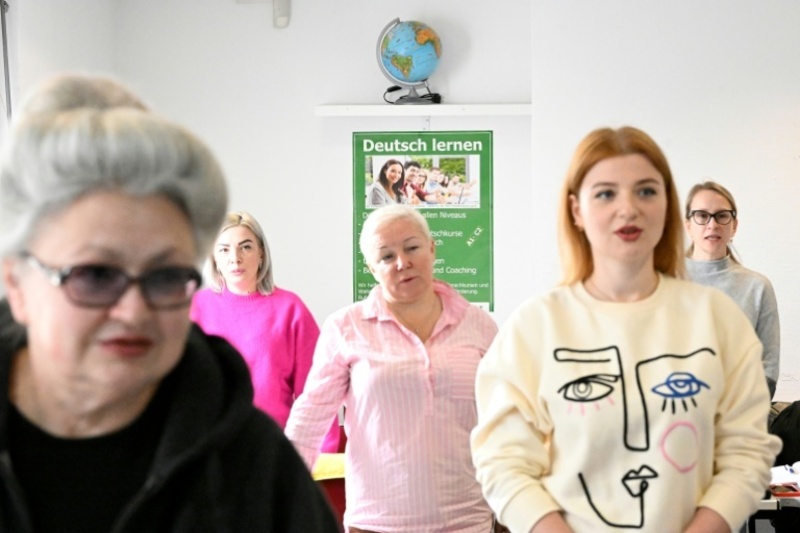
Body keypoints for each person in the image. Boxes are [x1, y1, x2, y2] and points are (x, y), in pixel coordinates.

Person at [0, 73, 339, 532]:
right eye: (95, 276)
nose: (134, 311)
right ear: (16, 285)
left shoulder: (251, 464)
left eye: (166, 277)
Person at [470, 126, 781, 533]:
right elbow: (503, 461)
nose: (628, 208)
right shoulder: (534, 327)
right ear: (576, 210)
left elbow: (747, 453)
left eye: (646, 191)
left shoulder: (718, 320)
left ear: (667, 206)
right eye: (605, 193)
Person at [286, 204, 499, 532]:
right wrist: (278, 498)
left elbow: (505, 419)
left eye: (412, 247)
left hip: (468, 520)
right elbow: (310, 417)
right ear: (372, 268)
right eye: (386, 256)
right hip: (376, 522)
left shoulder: (479, 325)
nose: (402, 262)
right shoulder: (346, 327)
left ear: (432, 248)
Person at [191, 211, 340, 451]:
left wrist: (325, 454)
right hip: (209, 448)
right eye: (224, 250)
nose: (235, 258)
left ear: (261, 253)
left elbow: (317, 391)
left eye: (245, 247)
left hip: (272, 450)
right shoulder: (194, 309)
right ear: (214, 258)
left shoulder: (290, 309)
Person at [684, 181, 780, 399]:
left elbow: (768, 371)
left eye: (722, 216)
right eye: (702, 215)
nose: (712, 224)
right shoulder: (663, 282)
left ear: (734, 226)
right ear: (688, 225)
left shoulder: (758, 287)